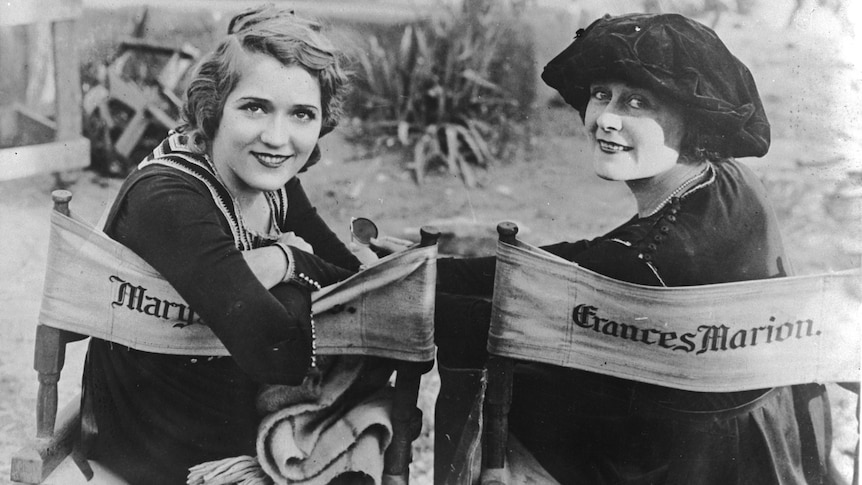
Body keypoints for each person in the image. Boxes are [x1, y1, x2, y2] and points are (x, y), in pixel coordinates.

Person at [432, 12, 832, 485]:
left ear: (693, 118)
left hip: (687, 461)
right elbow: (579, 258)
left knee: (484, 360)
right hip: (769, 428)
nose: (605, 119)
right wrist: (445, 265)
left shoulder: (639, 261)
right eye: (602, 94)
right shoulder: (729, 182)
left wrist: (424, 278)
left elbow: (552, 280)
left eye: (637, 102)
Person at [80, 6, 379, 483]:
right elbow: (276, 352)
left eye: (301, 114)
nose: (277, 137)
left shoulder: (267, 174)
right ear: (214, 108)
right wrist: (293, 259)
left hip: (226, 398)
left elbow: (354, 277)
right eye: (255, 107)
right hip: (159, 434)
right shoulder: (168, 196)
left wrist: (287, 265)